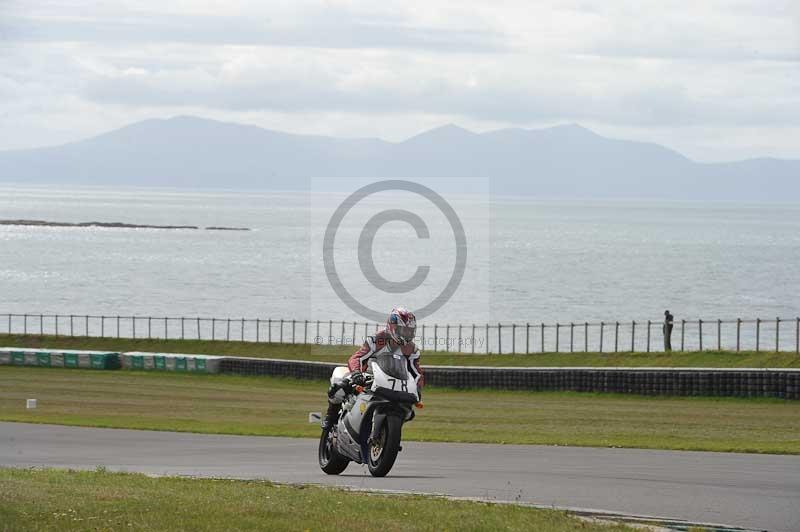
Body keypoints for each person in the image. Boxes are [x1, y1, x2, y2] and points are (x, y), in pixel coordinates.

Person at [322, 307, 424, 430]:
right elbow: (356, 358)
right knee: (339, 388)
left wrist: (417, 388)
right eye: (403, 330)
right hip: (367, 376)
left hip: (394, 382)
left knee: (408, 410)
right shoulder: (377, 340)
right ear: (393, 327)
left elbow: (417, 373)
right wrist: (356, 373)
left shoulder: (411, 349)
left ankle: (387, 431)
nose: (406, 334)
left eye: (409, 331)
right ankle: (331, 416)